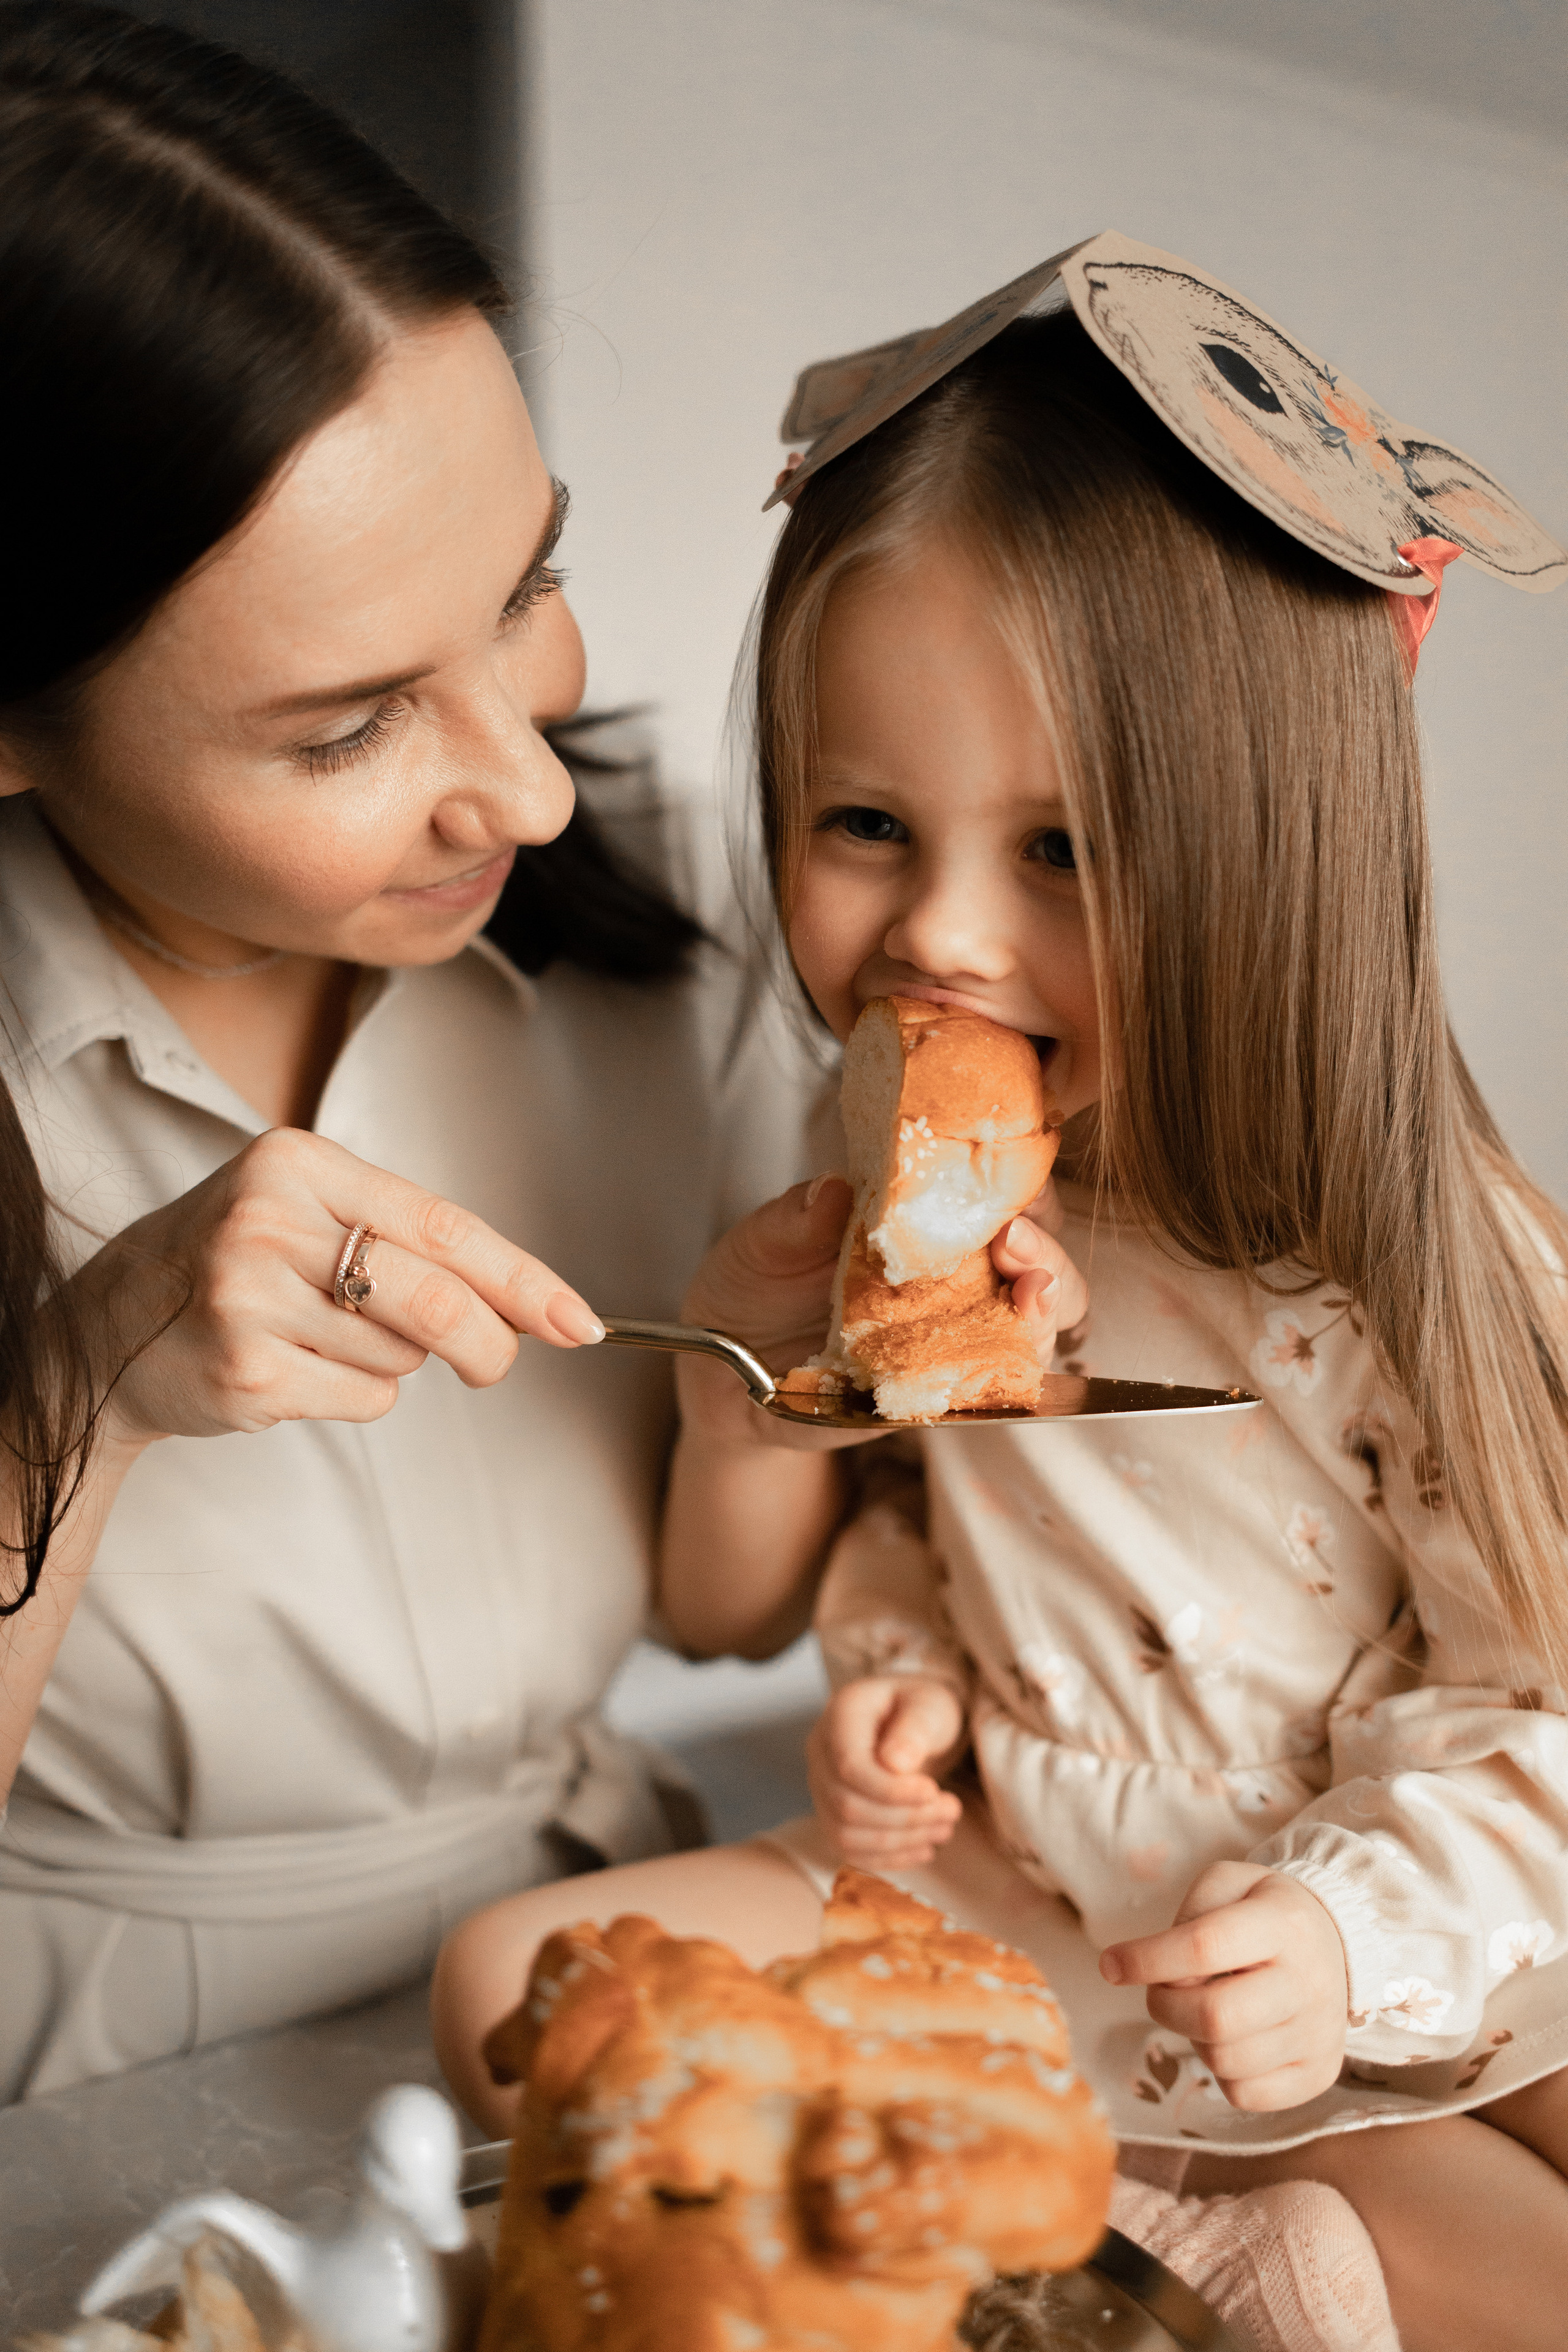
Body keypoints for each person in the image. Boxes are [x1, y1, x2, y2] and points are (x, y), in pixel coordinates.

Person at [433, 305, 1568, 2348]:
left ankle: (1190, 2228)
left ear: (1271, 860)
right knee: (513, 1993)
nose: (943, 934)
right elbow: (768, 1600)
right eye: (869, 824)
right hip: (1009, 1888)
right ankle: (1165, 2247)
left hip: (1316, 1917)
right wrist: (894, 1655)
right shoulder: (876, 1154)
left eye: (1061, 847)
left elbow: (1540, 1709)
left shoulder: (1405, 1255)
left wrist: (1339, 1926)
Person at [0, 0, 819, 2105]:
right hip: (102, 2093)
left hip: (605, 1972)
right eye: (349, 724)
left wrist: (766, 1400)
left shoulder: (676, 931)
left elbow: (726, 1630)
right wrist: (85, 1383)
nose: (530, 801)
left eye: (528, 584)